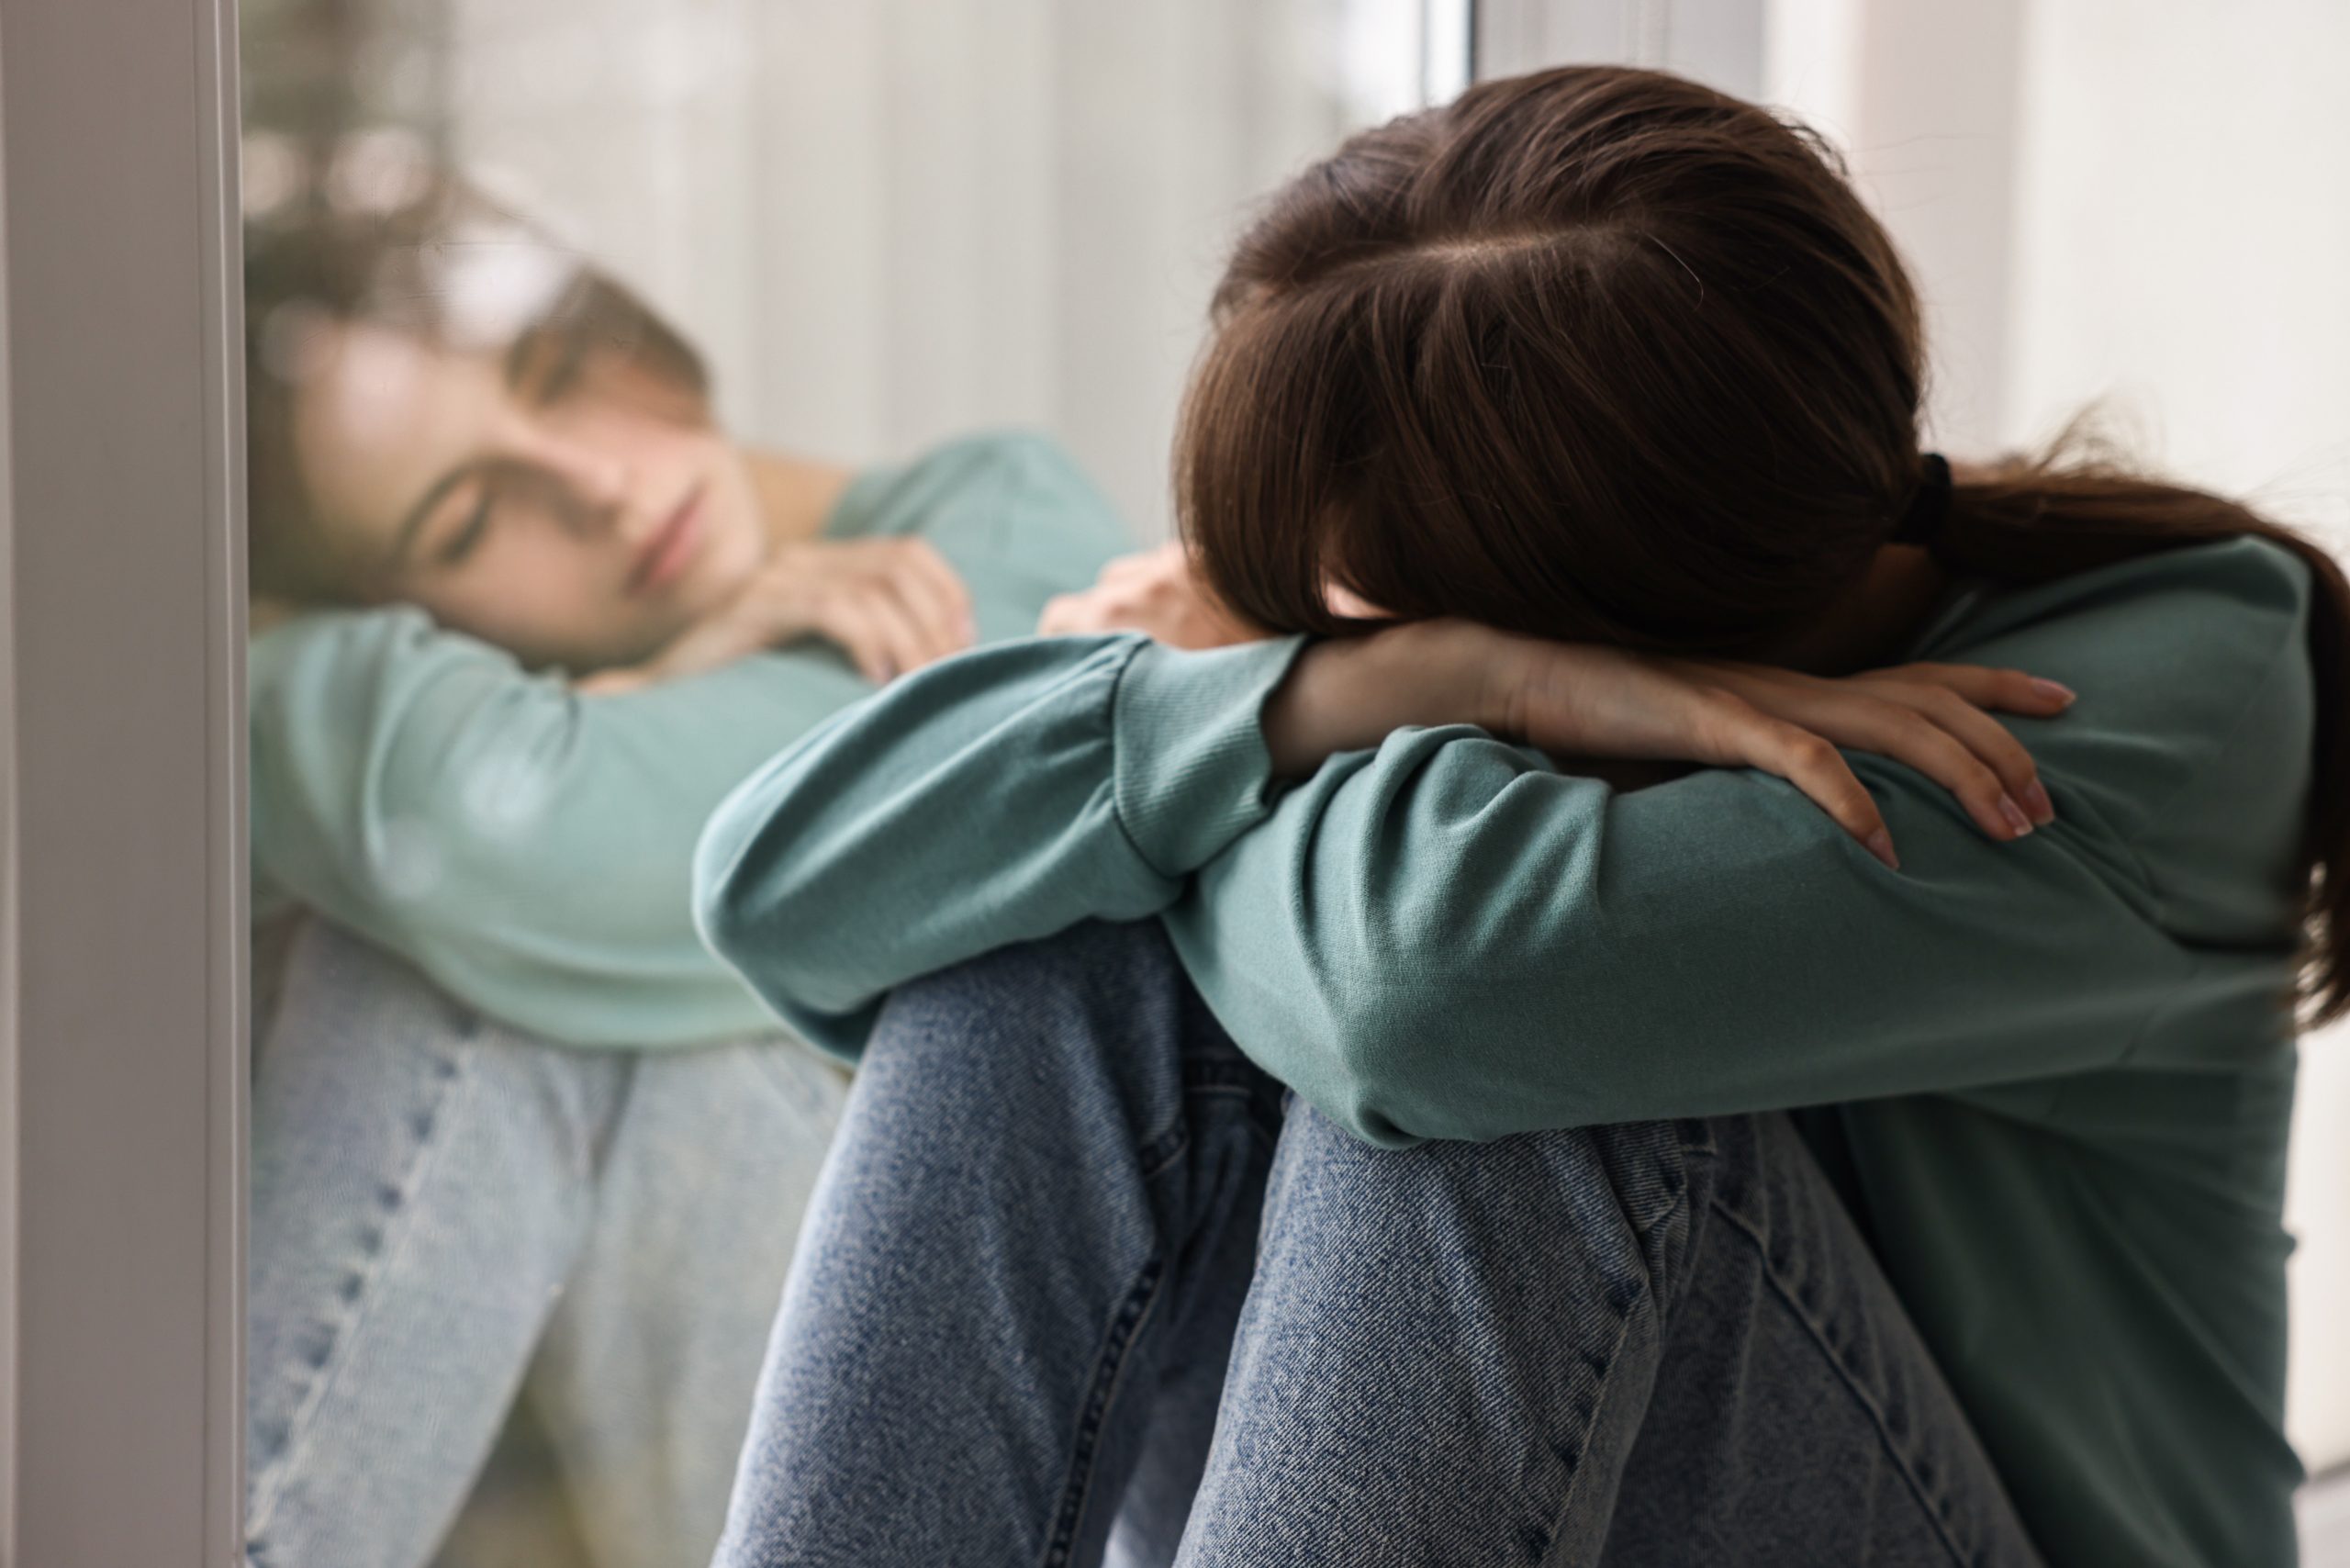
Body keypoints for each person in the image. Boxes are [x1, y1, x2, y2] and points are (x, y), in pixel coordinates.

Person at [691, 66, 2344, 1566]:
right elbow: (777, 886)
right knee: (1053, 949)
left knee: (1504, 1077)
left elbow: (1424, 999)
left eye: (1352, 620)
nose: (1339, 649)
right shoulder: (1573, 640)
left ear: (1617, 610)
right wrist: (1373, 693)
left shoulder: (2134, 705)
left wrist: (1245, 738)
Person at [238, 175, 1130, 1568]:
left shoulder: (1013, 556)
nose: (598, 490)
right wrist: (656, 676)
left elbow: (508, 834)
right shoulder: (518, 720)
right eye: (471, 526)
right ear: (401, 616)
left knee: (475, 965)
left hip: (1104, 1508)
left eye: (560, 375)